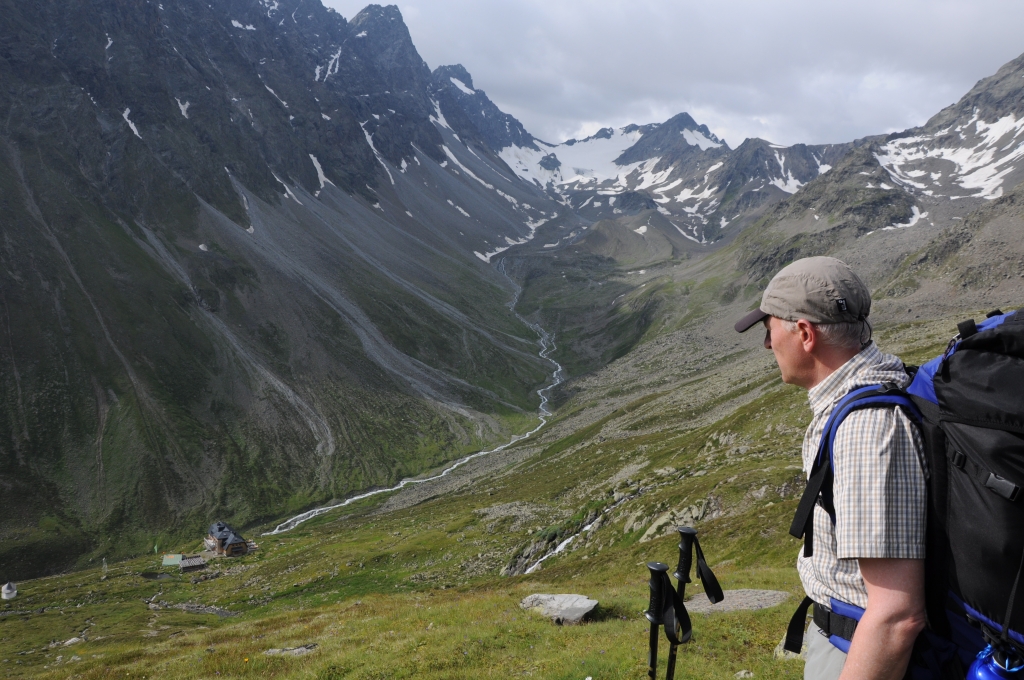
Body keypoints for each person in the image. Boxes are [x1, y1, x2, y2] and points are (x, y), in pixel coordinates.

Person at [734, 257, 927, 680]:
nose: (768, 345)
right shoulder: (873, 391)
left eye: (770, 330)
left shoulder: (866, 429)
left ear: (804, 333)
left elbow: (897, 614)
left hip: (859, 648)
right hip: (845, 636)